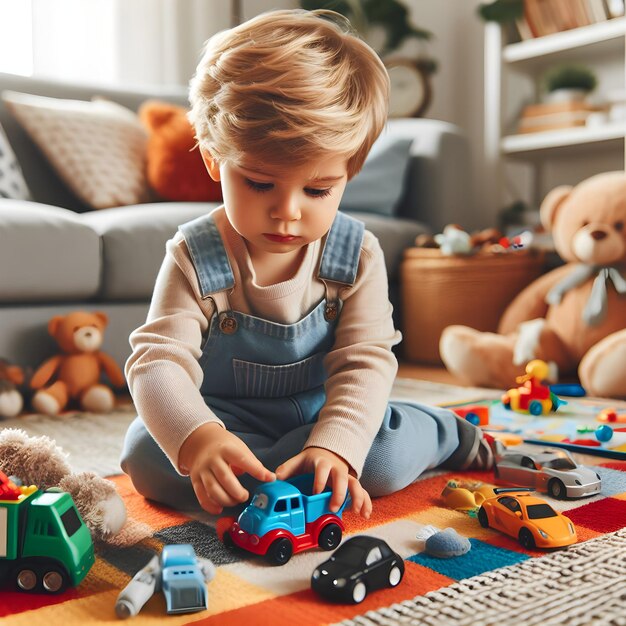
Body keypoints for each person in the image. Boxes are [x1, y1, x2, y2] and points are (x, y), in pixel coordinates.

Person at [121, 8, 492, 520]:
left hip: (325, 413)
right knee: (145, 456)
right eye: (259, 183)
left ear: (349, 173)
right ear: (213, 159)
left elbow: (365, 361)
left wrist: (337, 447)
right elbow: (158, 362)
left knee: (377, 460)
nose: (288, 211)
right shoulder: (194, 255)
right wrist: (201, 439)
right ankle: (279, 478)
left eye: (317, 189)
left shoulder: (355, 254)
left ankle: (445, 432)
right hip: (229, 419)